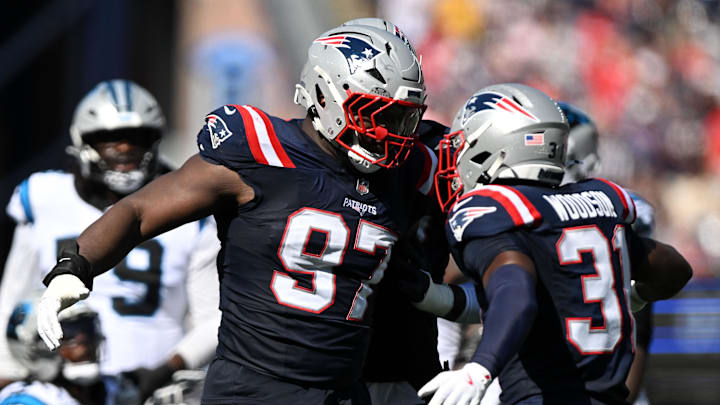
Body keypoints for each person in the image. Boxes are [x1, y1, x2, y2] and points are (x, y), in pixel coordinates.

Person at [36, 21, 437, 404]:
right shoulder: (260, 153)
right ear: (326, 94)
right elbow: (140, 211)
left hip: (346, 392)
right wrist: (76, 264)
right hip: (254, 391)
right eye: (377, 114)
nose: (392, 133)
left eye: (403, 118)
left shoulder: (405, 174)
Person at [421, 83, 692, 404]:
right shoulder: (597, 203)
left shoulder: (497, 208)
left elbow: (515, 292)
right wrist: (632, 295)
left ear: (497, 147)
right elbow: (675, 268)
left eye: (465, 144)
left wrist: (480, 367)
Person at [0, 79, 221, 400]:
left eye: (137, 138)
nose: (124, 148)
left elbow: (214, 319)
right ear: (82, 142)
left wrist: (165, 370)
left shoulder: (193, 214)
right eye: (109, 139)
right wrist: (6, 372)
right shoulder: (44, 196)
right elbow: (11, 296)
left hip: (151, 388)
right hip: (55, 385)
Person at [0, 294, 138, 405]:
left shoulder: (110, 389)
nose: (83, 343)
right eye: (67, 333)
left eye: (86, 328)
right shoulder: (28, 399)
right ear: (33, 346)